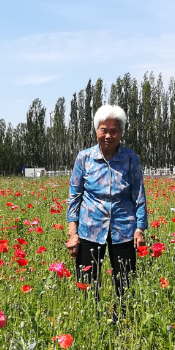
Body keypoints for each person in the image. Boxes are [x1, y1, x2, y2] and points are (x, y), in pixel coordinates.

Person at [66, 105, 147, 306]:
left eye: (114, 131)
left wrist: (139, 229)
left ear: (121, 133)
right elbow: (74, 196)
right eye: (104, 130)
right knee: (86, 283)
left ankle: (123, 326)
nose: (108, 135)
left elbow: (139, 195)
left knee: (125, 284)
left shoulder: (130, 159)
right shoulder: (84, 158)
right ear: (96, 131)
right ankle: (90, 323)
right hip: (89, 229)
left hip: (124, 229)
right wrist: (73, 233)